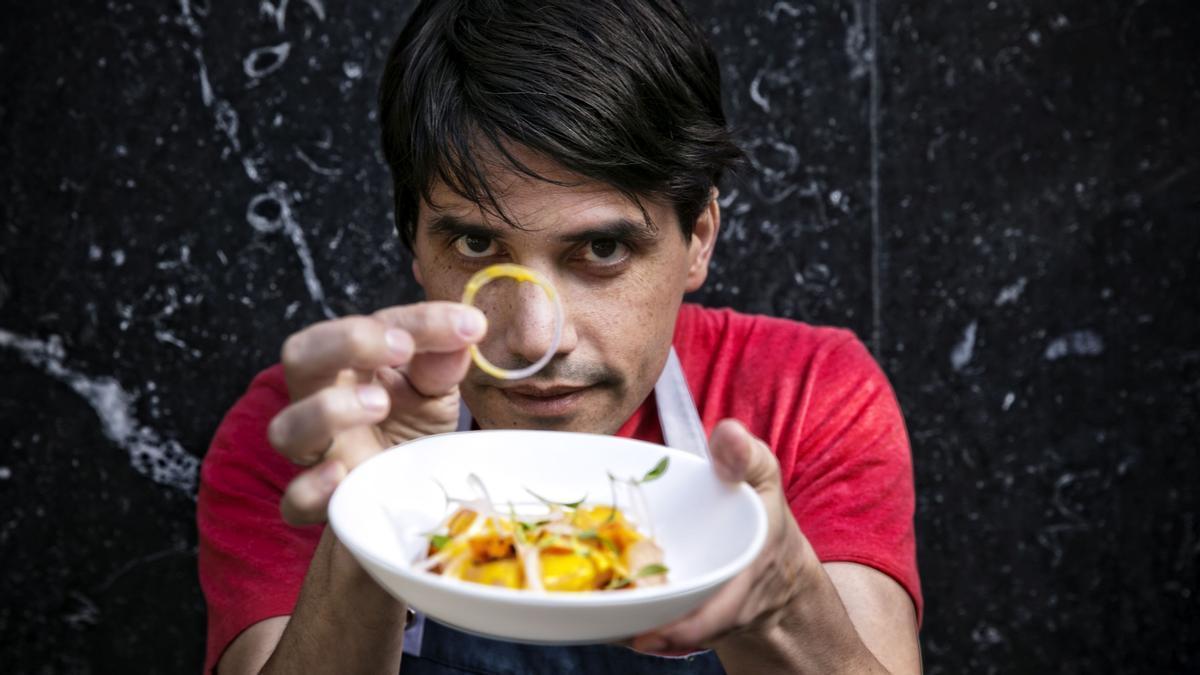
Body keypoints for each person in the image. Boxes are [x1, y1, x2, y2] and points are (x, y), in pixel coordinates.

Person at [198, 0, 923, 672]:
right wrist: (370, 523)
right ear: (413, 240)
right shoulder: (315, 432)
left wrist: (784, 601)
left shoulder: (807, 396)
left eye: (602, 251)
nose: (535, 339)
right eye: (477, 245)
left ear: (698, 236)